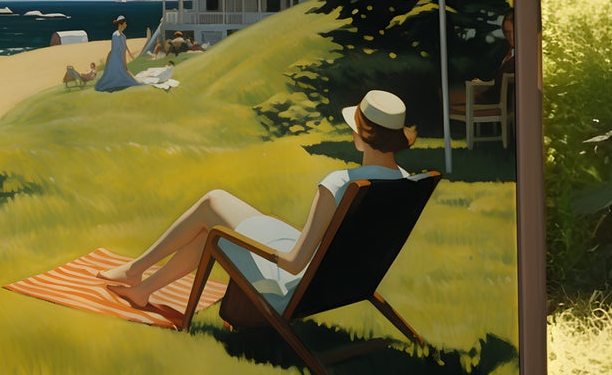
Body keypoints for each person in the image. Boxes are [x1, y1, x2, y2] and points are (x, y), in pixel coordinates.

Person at [97, 89, 415, 310]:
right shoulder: (405, 183)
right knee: (215, 221)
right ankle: (141, 289)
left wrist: (261, 241)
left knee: (213, 209)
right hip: (338, 284)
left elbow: (293, 263)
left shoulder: (339, 184)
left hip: (292, 286)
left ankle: (136, 271)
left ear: (362, 134)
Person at [448, 10, 514, 114]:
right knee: (447, 92)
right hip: (490, 94)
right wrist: (482, 83)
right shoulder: (505, 49)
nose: (510, 36)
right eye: (507, 32)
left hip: (494, 100)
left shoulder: (521, 58)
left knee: (447, 95)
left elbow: (505, 84)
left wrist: (483, 87)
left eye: (513, 31)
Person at [95, 15, 173, 92]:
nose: (126, 25)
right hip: (115, 60)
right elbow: (113, 50)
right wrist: (109, 62)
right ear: (120, 24)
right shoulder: (115, 36)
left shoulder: (123, 36)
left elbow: (124, 50)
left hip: (119, 61)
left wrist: (125, 65)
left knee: (134, 80)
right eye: (125, 23)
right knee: (116, 78)